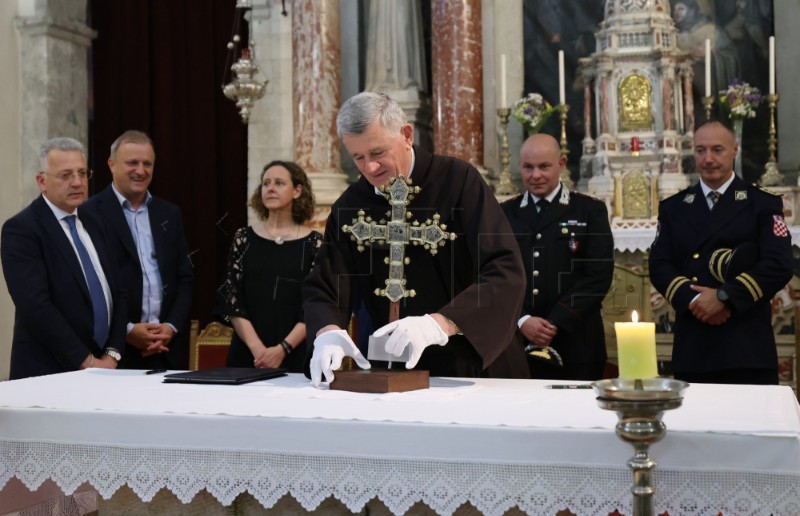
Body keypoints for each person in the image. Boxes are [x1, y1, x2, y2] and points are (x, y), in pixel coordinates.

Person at [304, 91, 529, 386]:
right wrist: (328, 331)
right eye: (358, 157)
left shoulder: (459, 181)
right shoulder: (350, 205)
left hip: (469, 363)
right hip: (388, 371)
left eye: (377, 153)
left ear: (407, 135)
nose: (369, 168)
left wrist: (440, 323)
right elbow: (327, 282)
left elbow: (505, 272)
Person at [649, 121, 792, 385]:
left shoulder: (761, 203)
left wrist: (724, 297)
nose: (708, 159)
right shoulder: (674, 207)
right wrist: (695, 301)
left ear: (734, 149)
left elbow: (778, 263)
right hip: (694, 344)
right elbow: (659, 265)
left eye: (717, 150)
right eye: (701, 151)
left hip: (746, 344)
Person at [1, 137, 126, 379]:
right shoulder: (22, 229)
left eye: (82, 173)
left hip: (107, 370)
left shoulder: (97, 222)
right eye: (66, 175)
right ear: (42, 181)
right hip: (48, 372)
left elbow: (118, 291)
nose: (77, 182)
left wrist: (112, 355)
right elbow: (36, 307)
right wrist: (87, 361)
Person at [501, 134, 614, 380]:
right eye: (528, 167)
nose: (535, 175)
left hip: (577, 342)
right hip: (519, 342)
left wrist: (555, 321)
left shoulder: (589, 210)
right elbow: (496, 273)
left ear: (561, 164)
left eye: (544, 166)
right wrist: (522, 320)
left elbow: (598, 276)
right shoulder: (504, 213)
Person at [83, 130, 193, 370]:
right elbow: (88, 287)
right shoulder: (88, 214)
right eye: (132, 163)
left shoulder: (169, 214)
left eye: (147, 164)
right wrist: (127, 330)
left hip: (166, 350)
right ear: (111, 165)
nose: (140, 171)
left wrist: (171, 327)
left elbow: (185, 277)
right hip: (114, 352)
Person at [216, 160, 321, 373]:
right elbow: (232, 298)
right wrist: (259, 351)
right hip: (248, 354)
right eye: (266, 184)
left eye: (279, 183)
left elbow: (315, 304)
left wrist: (282, 349)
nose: (270, 188)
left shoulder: (315, 244)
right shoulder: (243, 238)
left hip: (297, 354)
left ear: (297, 191)